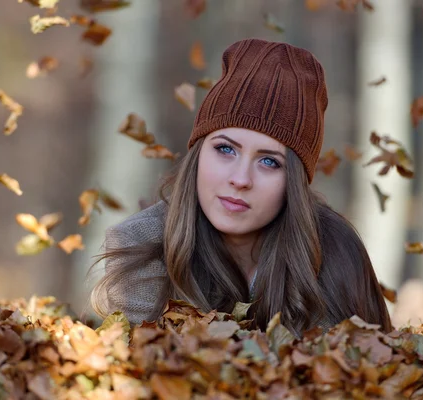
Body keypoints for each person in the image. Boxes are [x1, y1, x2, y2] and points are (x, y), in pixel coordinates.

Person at [89, 38, 392, 337]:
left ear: (295, 184)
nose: (241, 179)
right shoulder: (141, 244)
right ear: (198, 154)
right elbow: (144, 374)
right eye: (225, 149)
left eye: (269, 162)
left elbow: (361, 373)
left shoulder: (335, 251)